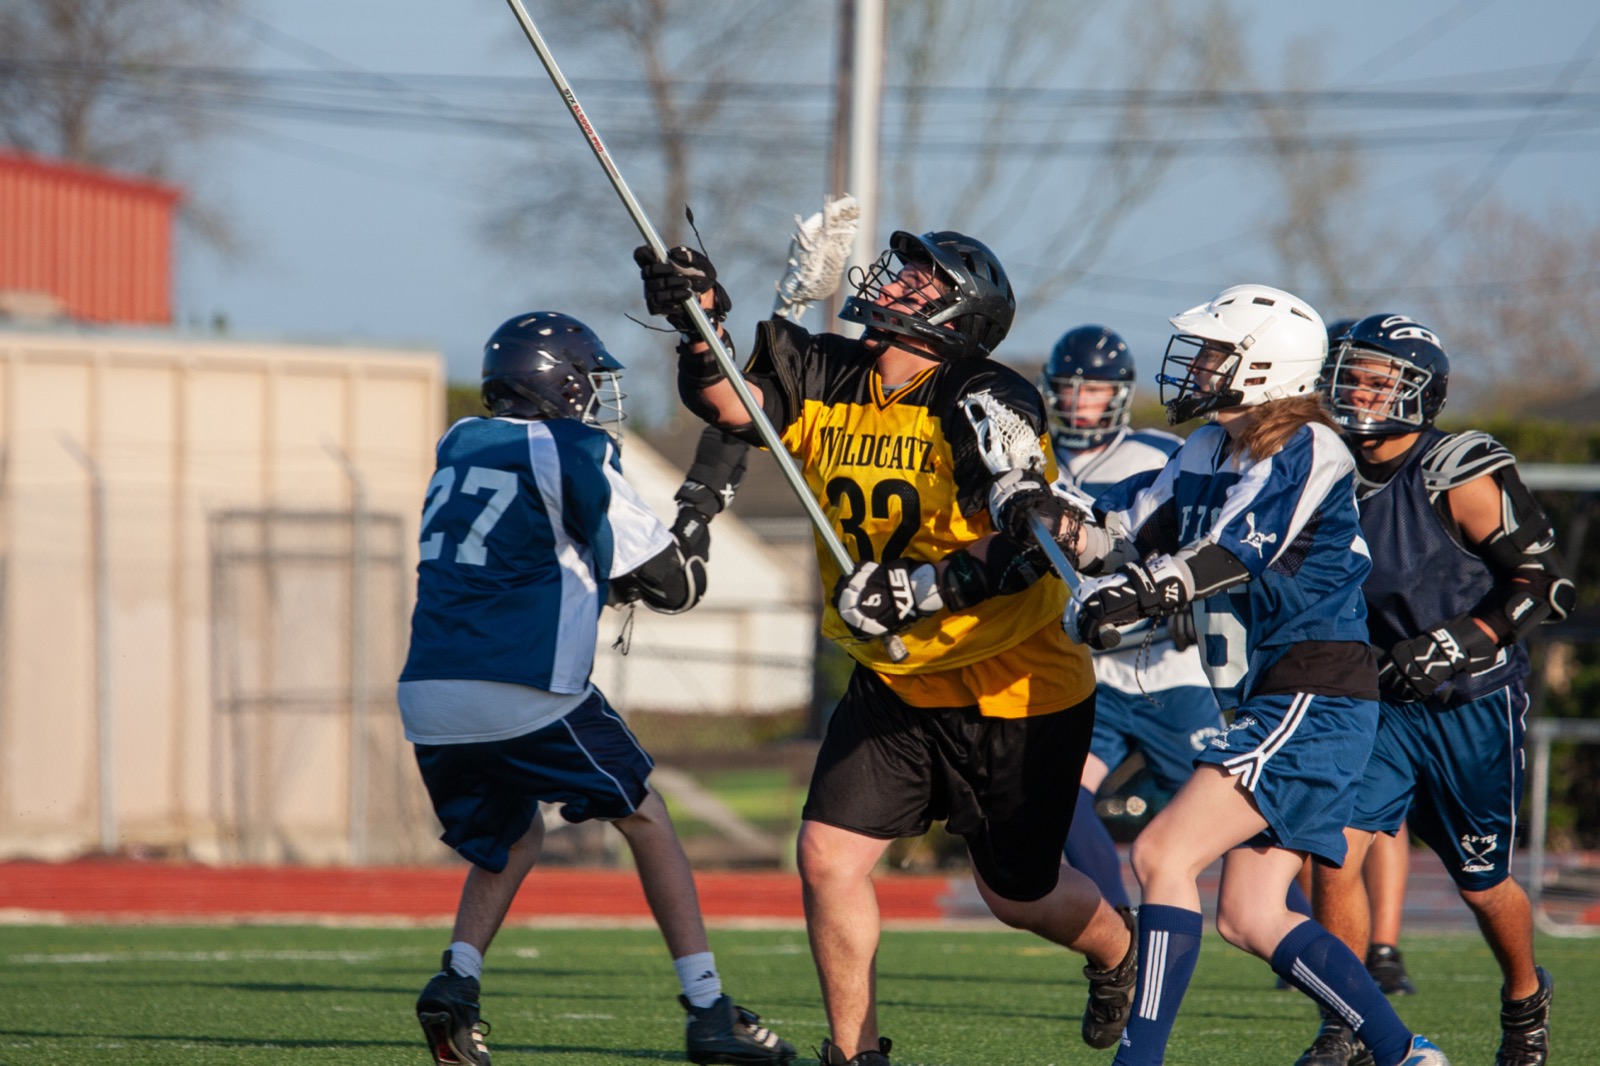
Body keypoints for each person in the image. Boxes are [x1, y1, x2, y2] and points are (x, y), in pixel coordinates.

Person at [636, 232, 1136, 1066]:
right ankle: (855, 1054)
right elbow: (728, 403)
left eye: (918, 278)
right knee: (828, 857)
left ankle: (1118, 949)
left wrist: (917, 590)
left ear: (956, 311)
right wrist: (698, 319)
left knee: (1018, 895)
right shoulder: (829, 369)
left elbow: (1025, 544)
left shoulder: (987, 396)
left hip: (1013, 681)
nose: (895, 281)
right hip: (899, 681)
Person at [994, 284, 1451, 1066]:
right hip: (1272, 696)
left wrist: (1137, 590)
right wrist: (1039, 503)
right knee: (1250, 914)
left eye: (1214, 352)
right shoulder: (1207, 447)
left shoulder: (1310, 445)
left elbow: (1237, 546)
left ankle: (1138, 1059)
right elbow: (1127, 531)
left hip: (1318, 692)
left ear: (1264, 367)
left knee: (1162, 855)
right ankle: (1405, 1054)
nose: (1198, 367)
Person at [397, 311, 795, 1066]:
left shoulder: (459, 444)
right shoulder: (576, 449)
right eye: (588, 377)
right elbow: (673, 585)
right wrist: (706, 492)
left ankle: (456, 983)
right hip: (519, 684)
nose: (595, 395)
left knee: (516, 832)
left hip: (428, 693)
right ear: (561, 381)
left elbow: (550, 558)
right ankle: (709, 1008)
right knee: (645, 814)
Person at [1307, 313, 1571, 1066]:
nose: (1358, 388)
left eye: (1378, 377)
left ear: (1419, 394)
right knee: (1333, 855)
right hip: (1380, 698)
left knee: (1483, 883)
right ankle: (1346, 1021)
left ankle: (1524, 997)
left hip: (1470, 701)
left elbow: (1546, 584)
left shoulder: (1455, 467)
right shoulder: (1321, 467)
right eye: (1350, 372)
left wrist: (1457, 644)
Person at [1037, 325, 1224, 912]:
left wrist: (1195, 604)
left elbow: (1202, 539)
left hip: (1166, 669)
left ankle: (1285, 916)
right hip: (1088, 671)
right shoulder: (1033, 458)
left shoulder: (1155, 452)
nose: (1077, 402)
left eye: (1091, 390)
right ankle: (1119, 925)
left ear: (1117, 394)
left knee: (1232, 814)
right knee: (1059, 797)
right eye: (1068, 389)